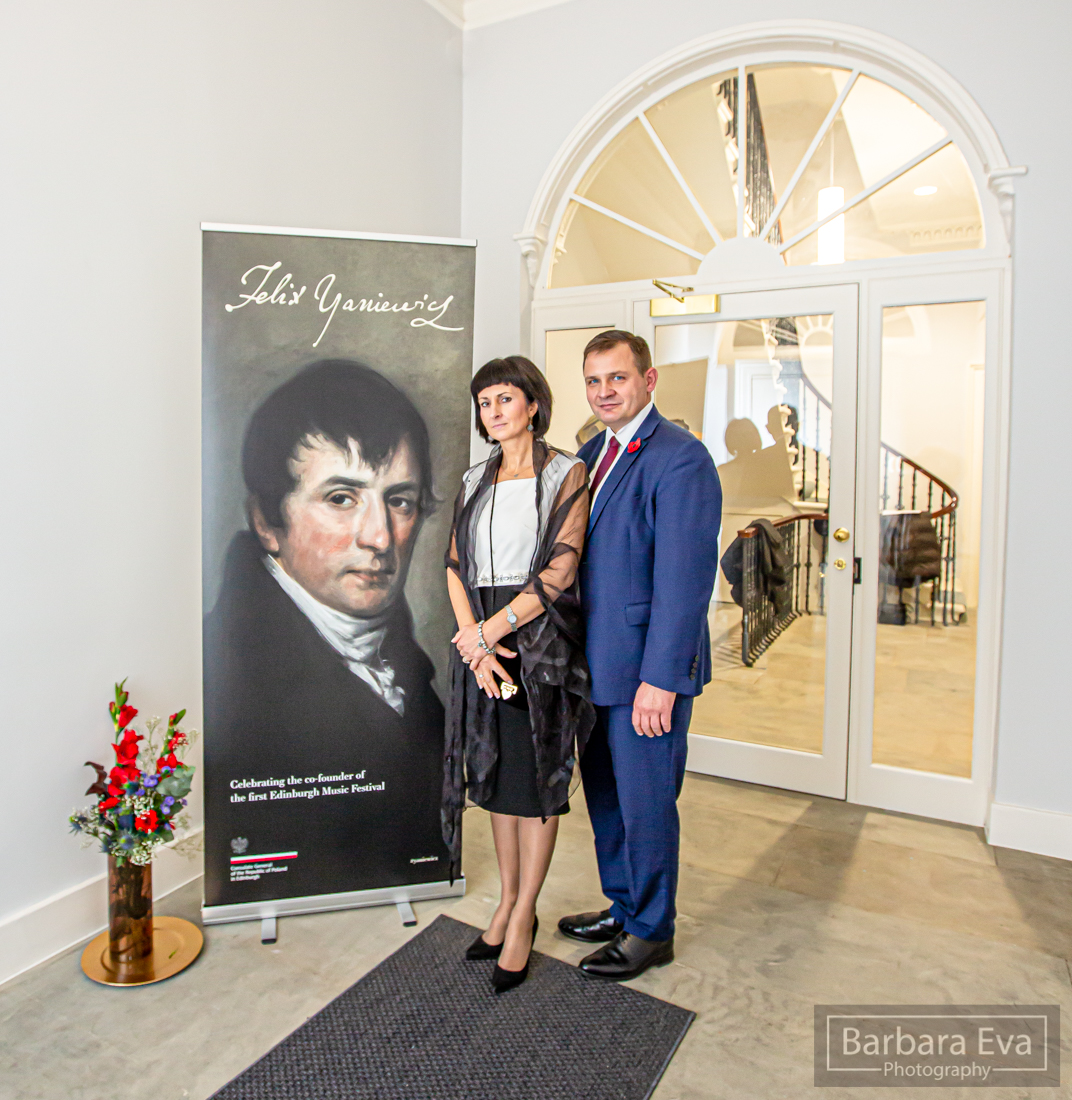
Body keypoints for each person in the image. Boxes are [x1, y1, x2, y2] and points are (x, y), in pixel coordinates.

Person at [203, 359, 448, 906]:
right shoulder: (231, 684)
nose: (380, 537)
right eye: (341, 498)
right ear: (267, 522)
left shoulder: (405, 668)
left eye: (400, 501)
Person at [559, 329, 722, 981]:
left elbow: (685, 581)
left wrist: (662, 679)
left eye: (617, 378)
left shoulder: (681, 458)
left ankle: (652, 929)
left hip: (645, 675)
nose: (604, 392)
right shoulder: (590, 453)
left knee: (647, 804)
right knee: (606, 798)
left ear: (648, 381)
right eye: (594, 381)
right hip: (594, 668)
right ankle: (624, 906)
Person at [443, 355, 594, 993]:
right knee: (499, 777)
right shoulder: (475, 477)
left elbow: (561, 569)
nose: (494, 412)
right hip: (483, 637)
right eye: (485, 403)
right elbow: (454, 564)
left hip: (539, 639)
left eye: (505, 398)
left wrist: (492, 632)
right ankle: (505, 903)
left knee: (536, 782)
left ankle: (525, 912)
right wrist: (475, 646)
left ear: (533, 404)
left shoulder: (566, 471)